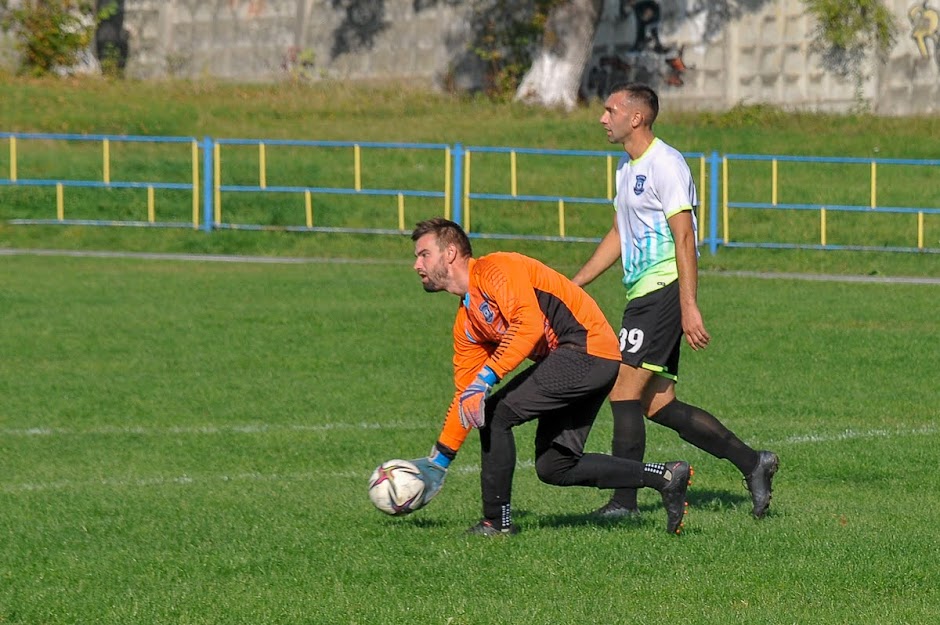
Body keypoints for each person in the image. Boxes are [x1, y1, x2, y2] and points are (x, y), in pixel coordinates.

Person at [406, 217, 691, 536]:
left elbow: (526, 326)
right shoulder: (467, 323)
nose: (417, 264)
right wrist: (438, 463)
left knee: (497, 413)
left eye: (423, 254)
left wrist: (486, 378)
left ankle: (496, 521)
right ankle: (665, 476)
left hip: (587, 348)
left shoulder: (496, 269)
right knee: (555, 466)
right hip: (576, 360)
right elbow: (466, 398)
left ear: (450, 253)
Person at [572, 83, 779, 519]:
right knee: (657, 404)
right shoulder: (626, 170)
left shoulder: (666, 163)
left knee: (623, 394)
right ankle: (753, 462)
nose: (602, 118)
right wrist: (577, 283)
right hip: (643, 294)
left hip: (662, 291)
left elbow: (685, 236)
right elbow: (619, 234)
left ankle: (625, 502)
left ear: (636, 118)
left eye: (610, 110)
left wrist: (689, 305)